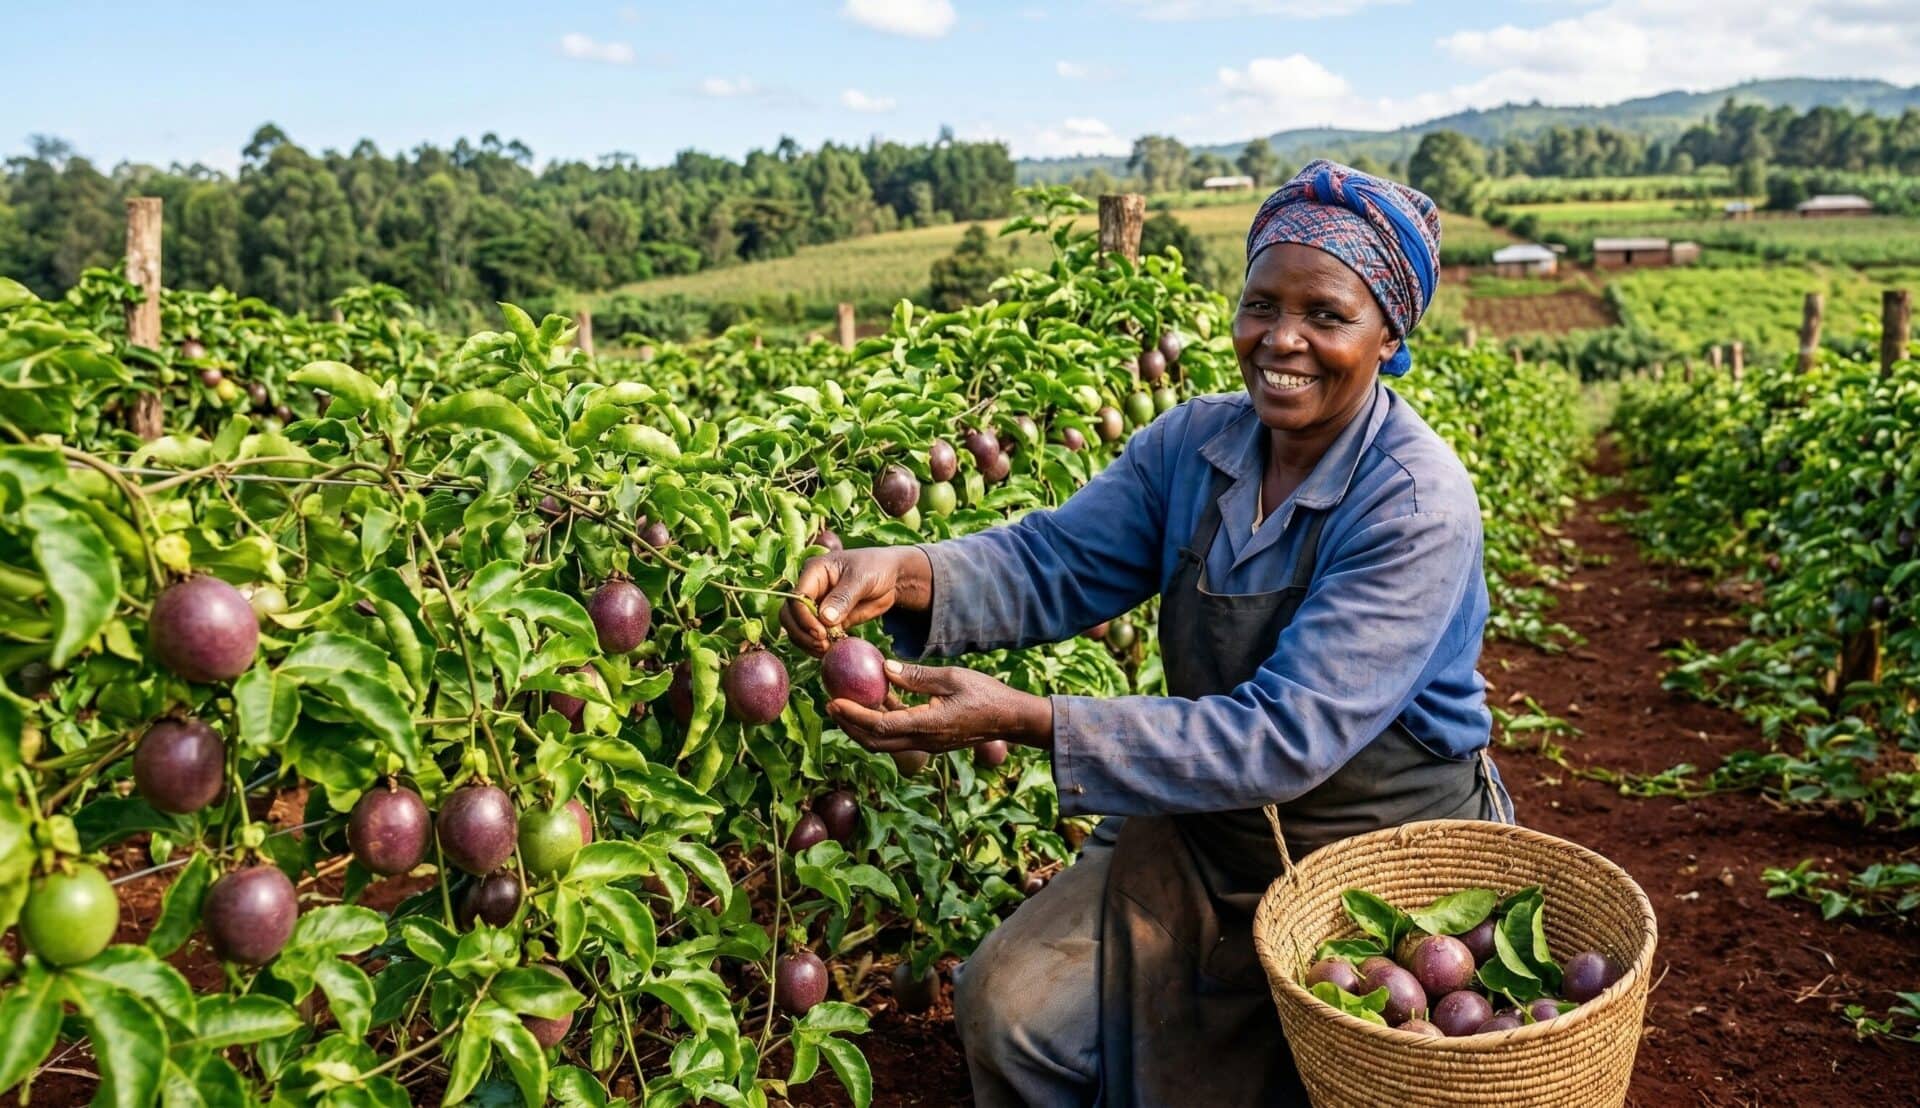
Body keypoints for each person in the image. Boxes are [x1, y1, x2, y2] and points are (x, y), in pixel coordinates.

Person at [781, 159, 1516, 1107]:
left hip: (1376, 862)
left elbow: (1283, 736)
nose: (1282, 339)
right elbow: (1054, 561)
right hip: (1206, 827)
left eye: (1328, 316)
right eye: (1261, 304)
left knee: (1357, 1067)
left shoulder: (1414, 504)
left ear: (1389, 336)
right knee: (1011, 1012)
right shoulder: (1191, 447)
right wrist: (907, 569)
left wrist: (1033, 719)